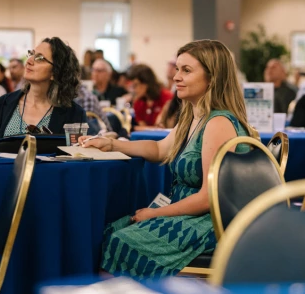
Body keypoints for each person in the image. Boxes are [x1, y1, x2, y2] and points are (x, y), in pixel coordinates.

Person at [80, 39, 253, 278]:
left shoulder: (218, 122)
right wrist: (111, 144)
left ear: (213, 78)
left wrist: (154, 213)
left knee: (120, 242)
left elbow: (208, 198)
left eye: (186, 70)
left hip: (211, 222)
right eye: (177, 69)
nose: (175, 77)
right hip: (190, 214)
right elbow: (160, 149)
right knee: (112, 232)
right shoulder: (195, 116)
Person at [0, 37, 87, 140]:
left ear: (55, 72)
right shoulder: (3, 104)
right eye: (31, 54)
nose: (29, 61)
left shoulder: (74, 113)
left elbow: (76, 154)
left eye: (40, 58)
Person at [129, 64, 173, 128]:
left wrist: (135, 128)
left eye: (135, 85)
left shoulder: (167, 97)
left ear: (146, 82)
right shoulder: (138, 103)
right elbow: (144, 129)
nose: (134, 90)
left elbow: (161, 127)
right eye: (132, 86)